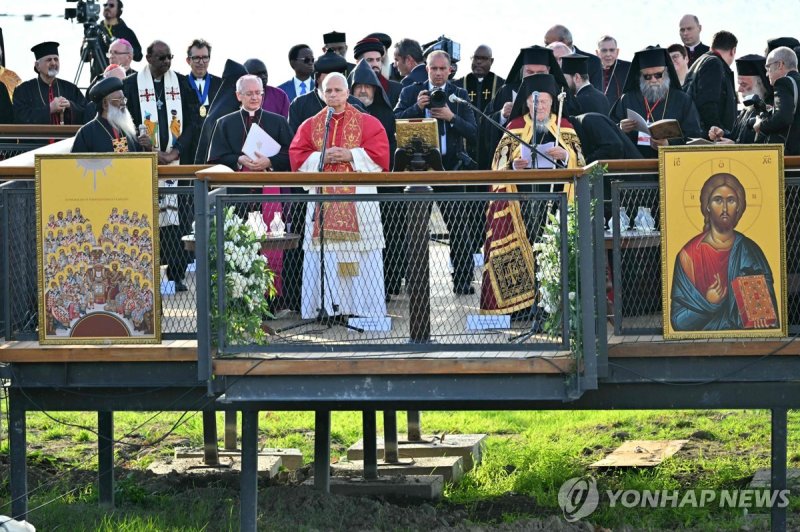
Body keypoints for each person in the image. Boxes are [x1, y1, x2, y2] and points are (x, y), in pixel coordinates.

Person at [480, 74, 583, 316]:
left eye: (545, 102)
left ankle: (553, 304)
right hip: (522, 205)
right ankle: (522, 306)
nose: (540, 107)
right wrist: (515, 166)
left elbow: (579, 160)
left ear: (553, 103)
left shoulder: (564, 126)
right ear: (527, 103)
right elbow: (499, 163)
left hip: (556, 204)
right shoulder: (515, 127)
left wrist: (565, 157)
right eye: (535, 102)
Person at [289, 72, 390, 319]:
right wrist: (321, 157)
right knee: (325, 255)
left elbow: (381, 156)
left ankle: (362, 309)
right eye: (328, 91)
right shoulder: (311, 124)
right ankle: (324, 309)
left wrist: (351, 155)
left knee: (362, 255)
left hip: (359, 206)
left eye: (338, 90)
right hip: (322, 208)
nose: (333, 95)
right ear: (322, 94)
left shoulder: (368, 122)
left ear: (348, 92)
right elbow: (297, 156)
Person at [394, 50, 479, 295]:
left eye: (443, 69)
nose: (439, 73)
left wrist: (452, 117)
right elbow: (394, 121)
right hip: (416, 171)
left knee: (459, 227)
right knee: (412, 229)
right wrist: (416, 108)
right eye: (434, 68)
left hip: (450, 169)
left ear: (450, 70)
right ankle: (413, 283)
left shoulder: (459, 94)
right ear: (427, 69)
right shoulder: (411, 90)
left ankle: (462, 280)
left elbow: (474, 132)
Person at [207, 74, 293, 302]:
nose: (255, 97)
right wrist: (238, 160)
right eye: (250, 93)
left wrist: (270, 162)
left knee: (272, 246)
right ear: (238, 96)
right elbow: (215, 157)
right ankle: (241, 299)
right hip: (237, 199)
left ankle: (273, 300)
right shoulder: (224, 123)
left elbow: (291, 155)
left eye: (259, 93)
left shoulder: (278, 122)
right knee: (238, 248)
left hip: (270, 195)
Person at [123, 40, 196, 292]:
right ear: (148, 57)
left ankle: (176, 275)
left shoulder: (182, 83)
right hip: (144, 162)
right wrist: (144, 145)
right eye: (161, 58)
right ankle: (147, 274)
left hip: (175, 161)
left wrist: (175, 151)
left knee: (177, 220)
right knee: (148, 217)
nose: (166, 62)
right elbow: (125, 121)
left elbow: (193, 122)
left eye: (169, 58)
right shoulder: (131, 85)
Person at [671, 173, 778, 331]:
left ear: (739, 207)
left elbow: (768, 314)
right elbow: (678, 322)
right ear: (707, 206)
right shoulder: (689, 255)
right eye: (718, 200)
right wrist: (710, 304)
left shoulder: (750, 251)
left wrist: (760, 314)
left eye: (731, 200)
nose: (725, 208)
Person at [349, 59, 403, 300]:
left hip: (382, 186)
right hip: (352, 188)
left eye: (367, 86)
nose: (362, 90)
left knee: (386, 236)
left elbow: (389, 150)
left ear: (375, 89)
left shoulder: (385, 114)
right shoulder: (343, 114)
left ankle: (385, 286)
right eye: (358, 86)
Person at [611, 47, 702, 158]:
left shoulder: (682, 100)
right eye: (647, 76)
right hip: (636, 162)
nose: (653, 80)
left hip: (672, 162)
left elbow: (694, 136)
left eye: (658, 75)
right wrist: (620, 128)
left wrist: (668, 144)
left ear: (666, 73)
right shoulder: (627, 99)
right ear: (640, 76)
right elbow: (609, 130)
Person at [453, 44, 506, 169]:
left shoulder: (502, 86)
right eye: (475, 58)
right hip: (464, 148)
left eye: (483, 58)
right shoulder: (457, 85)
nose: (478, 62)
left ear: (491, 61)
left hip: (491, 144)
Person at [13, 41, 86, 125]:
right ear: (37, 66)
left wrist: (70, 106)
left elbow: (87, 112)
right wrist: (50, 108)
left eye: (56, 59)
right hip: (39, 137)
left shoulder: (71, 88)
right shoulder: (23, 90)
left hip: (68, 138)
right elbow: (19, 117)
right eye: (49, 60)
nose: (53, 63)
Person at [72, 76, 151, 153]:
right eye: (119, 100)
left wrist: (147, 147)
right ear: (105, 104)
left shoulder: (128, 130)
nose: (123, 103)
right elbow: (77, 163)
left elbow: (139, 159)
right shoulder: (86, 133)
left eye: (124, 99)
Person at [683, 31, 738, 135]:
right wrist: (720, 133)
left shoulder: (700, 61)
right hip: (709, 138)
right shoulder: (714, 63)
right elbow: (707, 103)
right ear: (733, 51)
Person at [709, 54, 771, 145]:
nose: (739, 90)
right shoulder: (746, 110)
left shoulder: (768, 109)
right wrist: (722, 134)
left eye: (744, 85)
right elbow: (736, 137)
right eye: (739, 84)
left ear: (761, 85)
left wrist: (734, 146)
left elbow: (763, 147)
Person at [754, 46, 800, 155]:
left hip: (791, 159)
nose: (766, 74)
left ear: (779, 65)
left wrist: (761, 125)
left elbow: (784, 117)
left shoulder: (783, 82)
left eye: (768, 67)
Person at [544, 24, 603, 89]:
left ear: (565, 43)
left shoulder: (592, 62)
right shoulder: (544, 61)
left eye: (548, 44)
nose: (546, 47)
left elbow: (596, 92)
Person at [353, 37, 403, 106]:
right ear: (358, 63)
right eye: (370, 60)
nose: (375, 64)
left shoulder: (397, 89)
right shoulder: (347, 90)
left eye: (378, 60)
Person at [185, 39, 221, 124]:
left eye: (205, 57)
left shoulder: (220, 84)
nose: (201, 62)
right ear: (188, 60)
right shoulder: (181, 84)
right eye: (196, 58)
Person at [596, 35, 630, 106]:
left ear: (617, 52)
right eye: (604, 50)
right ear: (597, 53)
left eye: (612, 50)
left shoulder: (628, 68)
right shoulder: (591, 70)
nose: (608, 54)